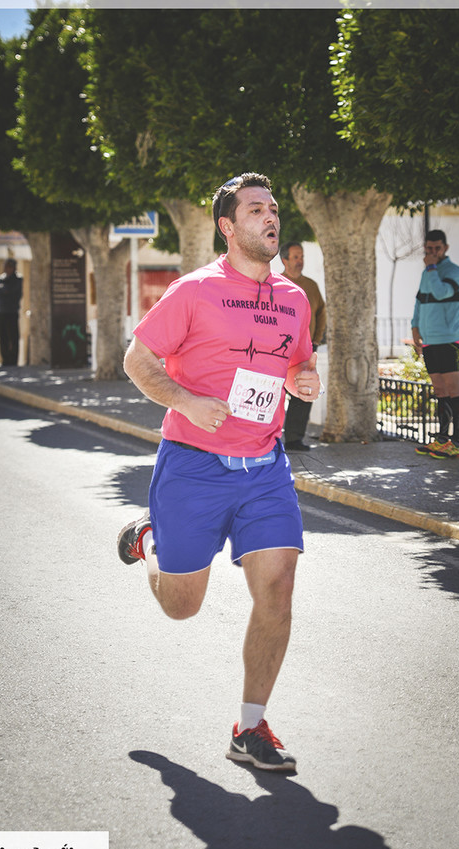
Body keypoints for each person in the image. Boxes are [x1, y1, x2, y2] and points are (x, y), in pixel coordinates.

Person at [117, 172, 320, 772]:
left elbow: (297, 363)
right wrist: (184, 401)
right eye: (256, 208)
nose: (270, 216)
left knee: (279, 587)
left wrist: (301, 380)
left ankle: (250, 729)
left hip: (264, 467)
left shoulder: (294, 298)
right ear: (228, 227)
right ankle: (148, 539)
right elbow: (138, 360)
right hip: (193, 467)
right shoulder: (194, 291)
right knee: (182, 606)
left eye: (274, 207)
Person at [411, 229, 459, 459]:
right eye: (429, 248)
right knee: (439, 389)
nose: (432, 252)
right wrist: (415, 326)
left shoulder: (454, 272)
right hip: (430, 339)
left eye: (437, 248)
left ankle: (457, 442)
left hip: (447, 338)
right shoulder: (428, 272)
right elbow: (420, 300)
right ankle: (442, 439)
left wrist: (432, 267)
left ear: (445, 248)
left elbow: (441, 292)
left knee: (454, 388)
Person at [279, 241, 326, 451]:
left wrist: (316, 339)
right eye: (296, 257)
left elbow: (321, 313)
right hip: (280, 349)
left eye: (302, 257)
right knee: (276, 391)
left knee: (303, 392)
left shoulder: (311, 286)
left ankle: (294, 439)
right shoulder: (276, 284)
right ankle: (271, 436)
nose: (300, 261)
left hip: (306, 349)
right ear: (284, 260)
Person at [0, 258, 23, 366]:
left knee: (13, 336)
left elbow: (9, 290)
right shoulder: (1, 278)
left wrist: (2, 289)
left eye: (10, 266)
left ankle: (13, 360)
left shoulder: (17, 279)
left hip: (12, 311)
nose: (7, 268)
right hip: (1, 311)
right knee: (3, 337)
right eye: (6, 266)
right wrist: (2, 289)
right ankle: (4, 359)